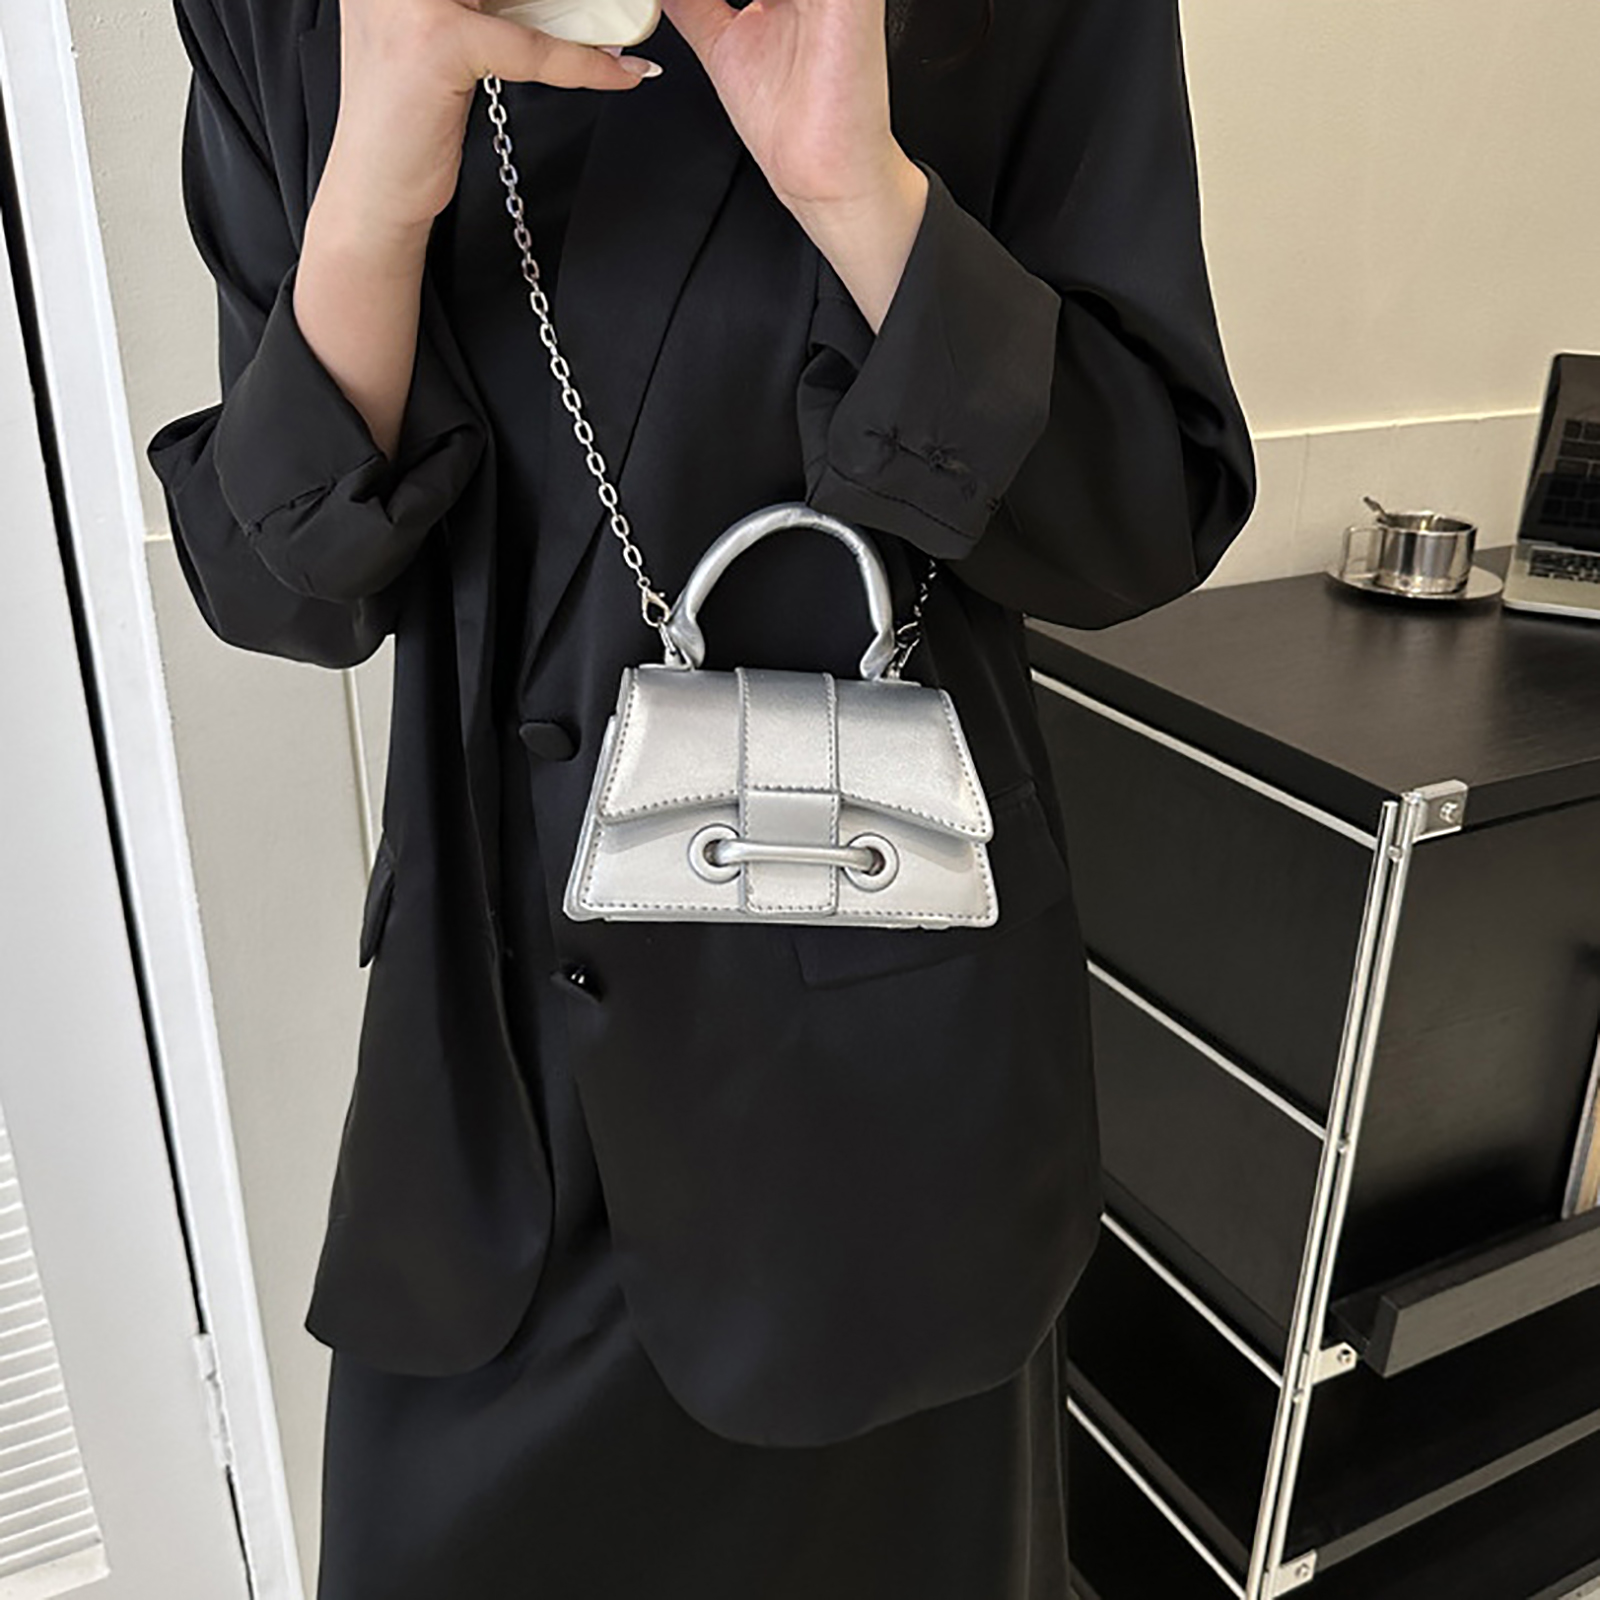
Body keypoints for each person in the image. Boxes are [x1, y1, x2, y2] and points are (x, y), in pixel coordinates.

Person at [147, 0, 1256, 1594]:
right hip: (485, 1121)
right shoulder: (280, 14)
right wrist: (375, 191)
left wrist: (857, 194)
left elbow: (1139, 516)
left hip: (874, 1123)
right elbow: (281, 591)